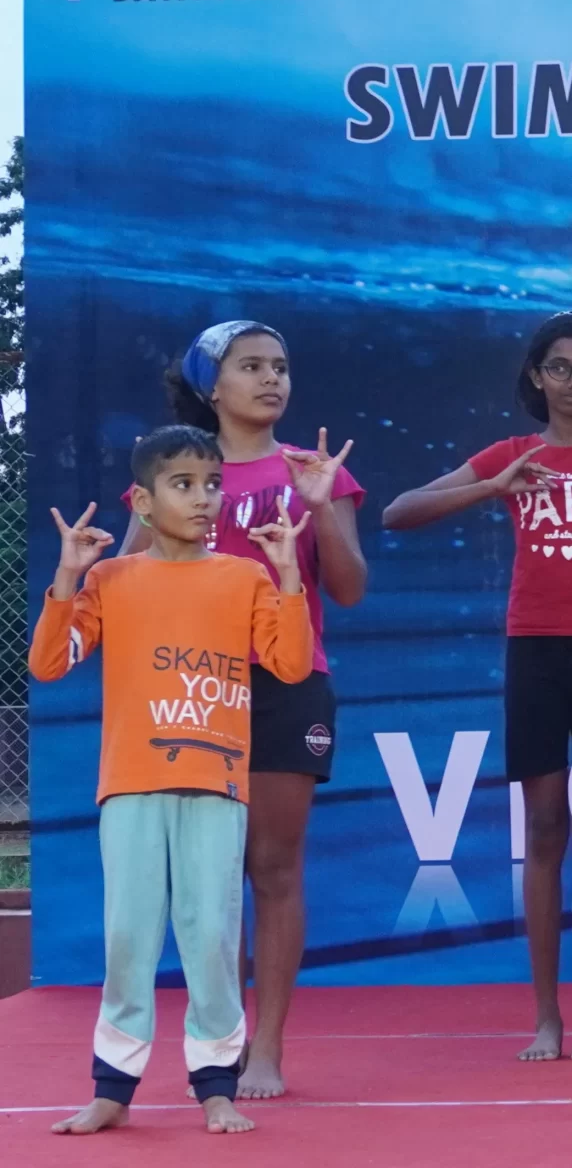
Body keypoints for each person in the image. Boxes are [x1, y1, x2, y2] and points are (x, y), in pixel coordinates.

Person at [381, 311, 572, 1061]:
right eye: (561, 367)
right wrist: (493, 484)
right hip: (534, 650)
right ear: (536, 375)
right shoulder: (513, 453)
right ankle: (546, 1017)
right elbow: (399, 513)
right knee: (545, 827)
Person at [33, 426, 314, 1136]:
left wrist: (286, 576)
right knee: (128, 935)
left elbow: (290, 666)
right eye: (183, 485)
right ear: (142, 500)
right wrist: (67, 578)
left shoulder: (244, 576)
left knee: (211, 933)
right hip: (130, 785)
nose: (203, 498)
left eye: (212, 484)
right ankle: (113, 1089)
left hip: (216, 787)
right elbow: (48, 663)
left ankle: (215, 1083)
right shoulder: (109, 579)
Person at [119, 321, 364, 1099]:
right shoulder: (176, 471)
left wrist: (321, 508)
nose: (271, 379)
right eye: (251, 366)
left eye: (281, 367)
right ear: (210, 385)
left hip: (290, 682)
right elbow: (125, 582)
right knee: (207, 878)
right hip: (193, 689)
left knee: (272, 867)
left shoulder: (314, 470)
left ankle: (266, 1046)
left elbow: (351, 589)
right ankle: (211, 1044)